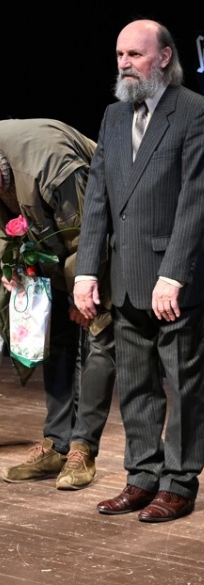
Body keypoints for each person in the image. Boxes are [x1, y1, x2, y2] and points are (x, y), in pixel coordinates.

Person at [73, 18, 204, 523]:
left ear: (164, 57)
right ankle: (142, 477)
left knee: (183, 385)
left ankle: (178, 484)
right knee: (135, 385)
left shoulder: (196, 112)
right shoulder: (114, 116)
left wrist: (174, 274)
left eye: (134, 55)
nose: (124, 64)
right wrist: (86, 271)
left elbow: (196, 200)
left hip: (172, 280)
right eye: (119, 55)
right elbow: (98, 198)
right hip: (126, 277)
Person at [0, 118, 115, 490]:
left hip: (105, 244)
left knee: (98, 335)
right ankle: (57, 443)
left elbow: (88, 234)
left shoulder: (49, 164)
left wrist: (82, 286)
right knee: (57, 337)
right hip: (53, 245)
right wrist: (7, 263)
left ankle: (83, 449)